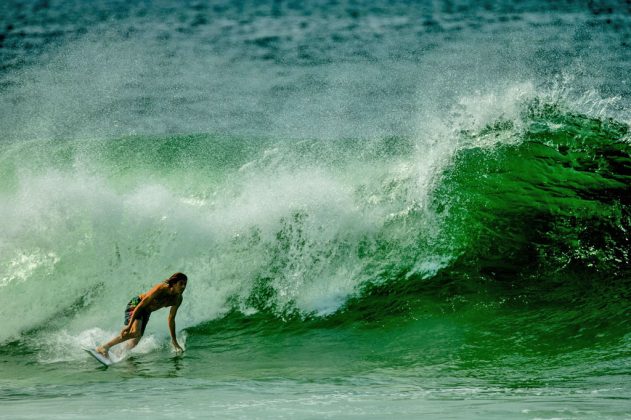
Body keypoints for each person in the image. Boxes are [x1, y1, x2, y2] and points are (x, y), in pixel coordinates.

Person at [96, 272, 187, 357]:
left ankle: (118, 353)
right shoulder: (161, 288)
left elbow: (171, 319)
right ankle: (104, 347)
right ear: (174, 283)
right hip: (137, 304)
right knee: (135, 332)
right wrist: (129, 326)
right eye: (181, 283)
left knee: (135, 341)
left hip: (147, 312)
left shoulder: (178, 299)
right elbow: (141, 305)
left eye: (185, 284)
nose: (183, 286)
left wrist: (174, 340)